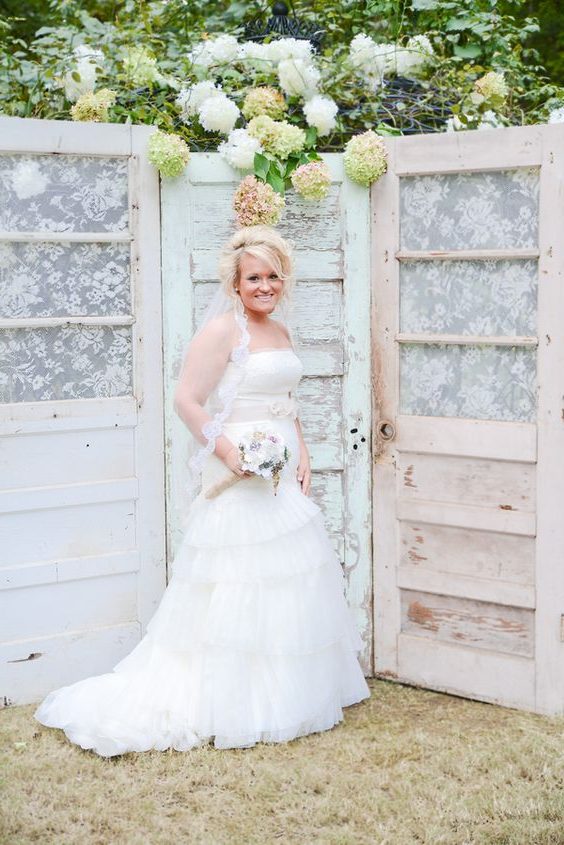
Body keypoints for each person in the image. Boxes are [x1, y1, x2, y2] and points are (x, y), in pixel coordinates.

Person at [34, 225, 370, 755]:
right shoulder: (221, 331)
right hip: (239, 471)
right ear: (235, 284)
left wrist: (304, 455)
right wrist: (231, 455)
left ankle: (285, 695)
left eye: (273, 276)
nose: (265, 285)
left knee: (289, 579)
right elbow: (187, 401)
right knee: (238, 580)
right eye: (253, 277)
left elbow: (287, 402)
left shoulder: (280, 332)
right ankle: (231, 697)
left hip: (281, 471)